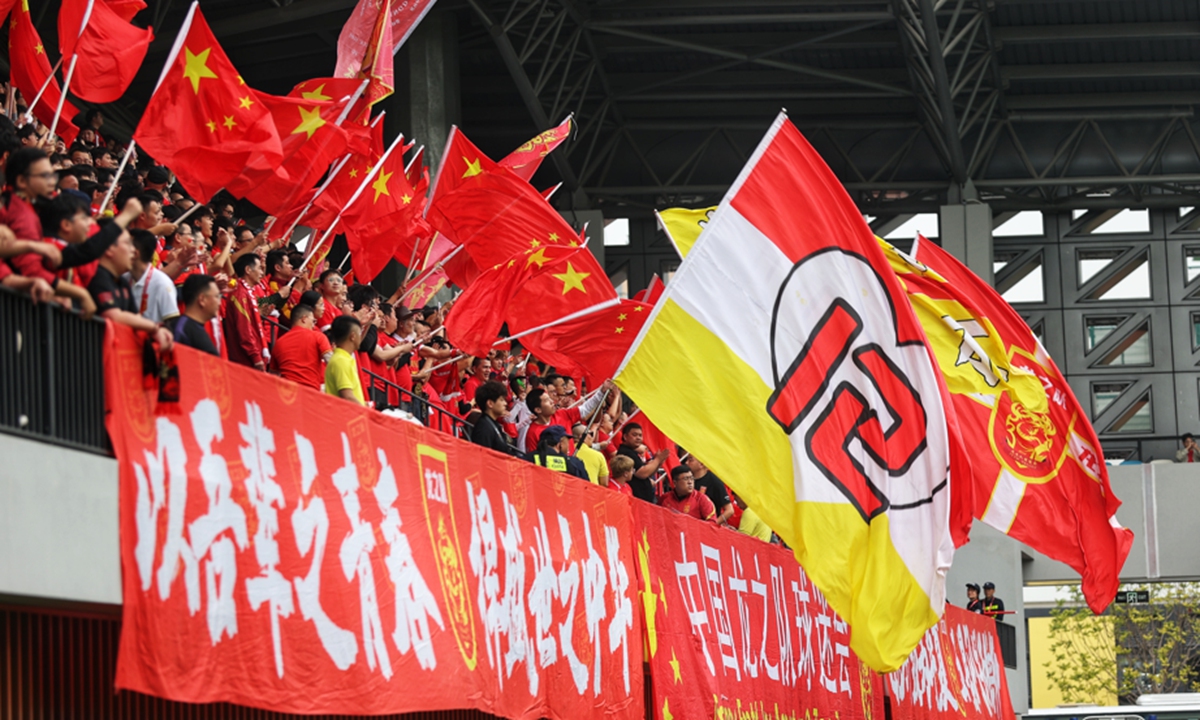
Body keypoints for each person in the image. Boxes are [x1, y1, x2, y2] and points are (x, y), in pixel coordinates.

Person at [85, 218, 173, 349]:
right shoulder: (97, 277)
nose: (133, 250)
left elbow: (135, 317)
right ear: (109, 248)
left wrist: (157, 330)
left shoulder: (123, 282)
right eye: (127, 243)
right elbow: (114, 316)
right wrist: (154, 328)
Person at [524, 381, 618, 454]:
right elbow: (533, 462)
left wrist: (601, 392)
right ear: (538, 410)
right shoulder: (532, 433)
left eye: (550, 398)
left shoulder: (562, 414)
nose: (552, 401)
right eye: (546, 401)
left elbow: (585, 409)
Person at [271, 304, 332, 391]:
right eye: (313, 321)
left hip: (286, 395)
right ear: (304, 319)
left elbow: (273, 376)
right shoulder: (318, 337)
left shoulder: (279, 342)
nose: (314, 326)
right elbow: (332, 362)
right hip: (310, 392)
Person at [224, 253, 268, 370]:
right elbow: (244, 329)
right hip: (245, 361)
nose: (262, 273)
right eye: (259, 268)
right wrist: (256, 358)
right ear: (248, 270)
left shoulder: (247, 291)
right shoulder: (240, 293)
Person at [128, 229, 179, 323]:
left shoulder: (162, 283)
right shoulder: (123, 278)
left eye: (125, 245)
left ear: (135, 253)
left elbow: (171, 323)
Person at [617, 422, 671, 504]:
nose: (638, 438)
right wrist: (657, 459)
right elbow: (642, 473)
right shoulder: (625, 452)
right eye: (634, 435)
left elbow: (648, 473)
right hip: (636, 501)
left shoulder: (632, 452)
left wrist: (658, 462)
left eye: (640, 435)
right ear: (625, 436)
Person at [679, 447, 734, 526]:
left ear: (702, 464)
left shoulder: (714, 482)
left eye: (691, 460)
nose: (686, 463)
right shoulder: (687, 480)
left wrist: (712, 524)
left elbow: (729, 510)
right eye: (686, 459)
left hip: (706, 529)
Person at [172, 274, 220, 355]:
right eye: (217, 296)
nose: (219, 303)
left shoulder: (182, 327)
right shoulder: (180, 332)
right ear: (202, 300)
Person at [470, 380, 518, 456]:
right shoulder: (483, 428)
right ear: (490, 403)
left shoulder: (494, 424)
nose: (505, 404)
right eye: (501, 400)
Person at [326, 315, 365, 405]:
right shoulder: (341, 360)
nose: (361, 337)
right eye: (360, 333)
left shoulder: (343, 358)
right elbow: (347, 397)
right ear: (353, 336)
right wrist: (366, 414)